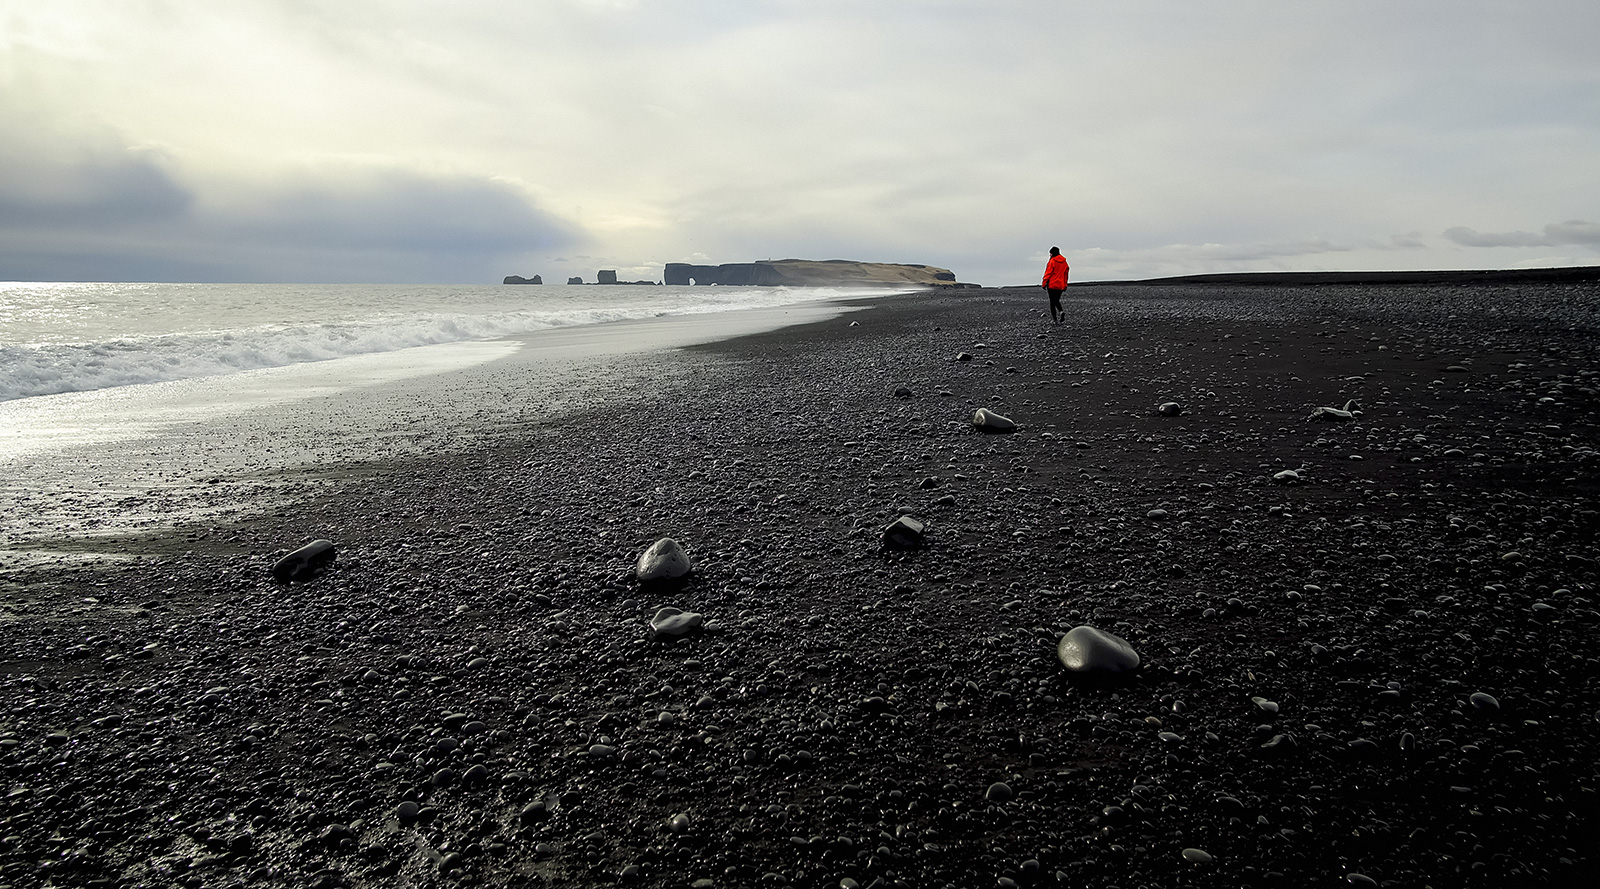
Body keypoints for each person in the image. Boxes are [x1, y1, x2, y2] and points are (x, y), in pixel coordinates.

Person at [1041, 246, 1070, 324]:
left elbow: (1048, 273)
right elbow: (1065, 274)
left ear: (1052, 253)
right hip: (1060, 285)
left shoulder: (1052, 261)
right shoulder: (1064, 262)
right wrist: (1065, 285)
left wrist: (1044, 283)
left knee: (1052, 302)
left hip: (1052, 284)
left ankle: (1055, 320)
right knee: (1056, 300)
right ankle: (1061, 311)